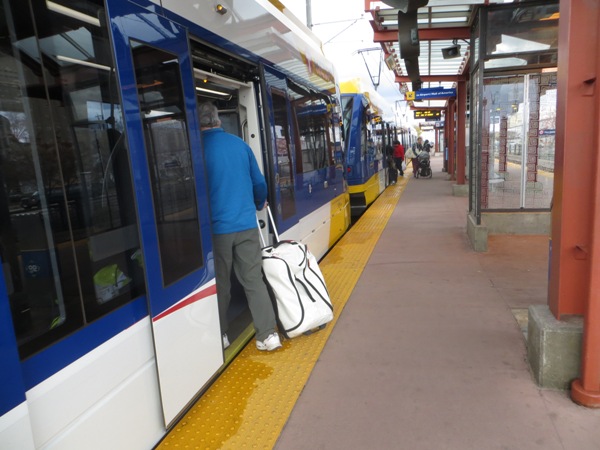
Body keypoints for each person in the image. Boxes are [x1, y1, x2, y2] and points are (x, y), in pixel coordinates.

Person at [199, 102, 282, 352]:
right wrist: (259, 203)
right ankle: (268, 335)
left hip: (217, 230)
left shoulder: (197, 149)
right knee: (253, 280)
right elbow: (259, 183)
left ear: (197, 123)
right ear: (218, 121)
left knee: (221, 283)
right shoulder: (240, 146)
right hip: (246, 225)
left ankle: (221, 334)